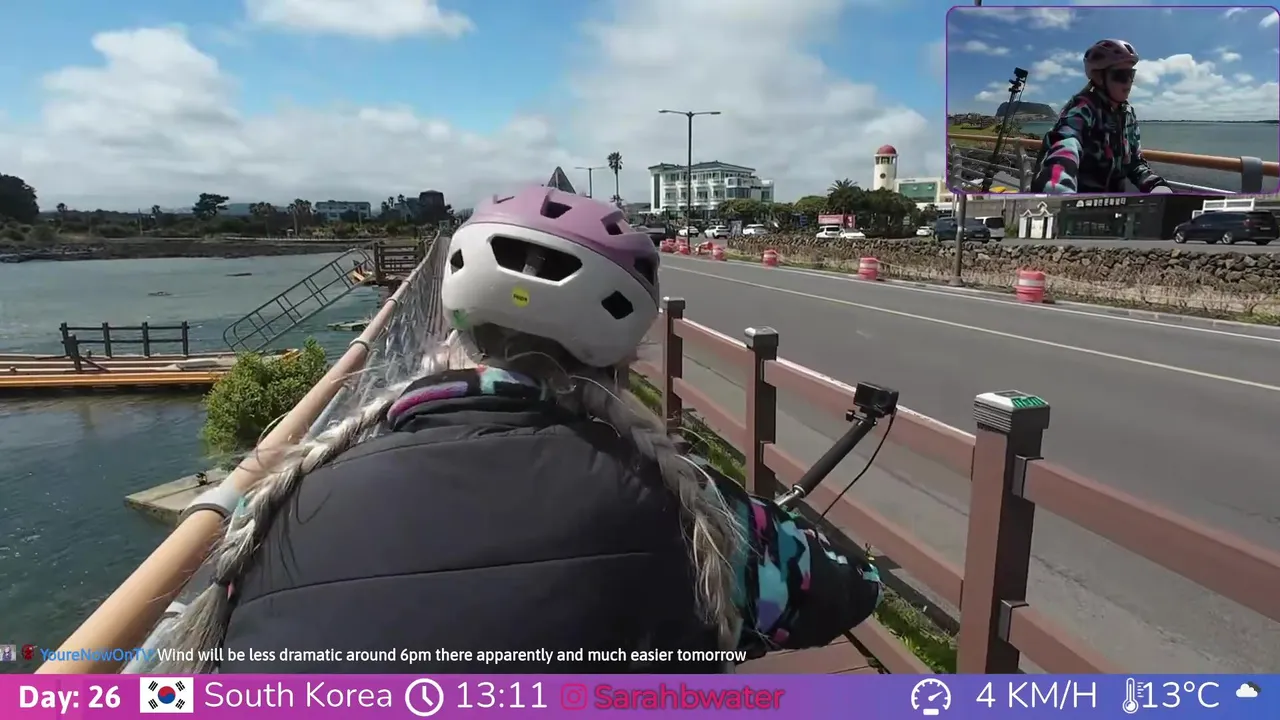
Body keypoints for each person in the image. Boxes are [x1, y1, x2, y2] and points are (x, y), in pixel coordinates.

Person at [157, 186, 884, 674]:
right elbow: (850, 590)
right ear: (624, 358)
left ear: (453, 327)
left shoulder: (281, 506)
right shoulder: (693, 509)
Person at [1030, 39, 1172, 195]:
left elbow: (1134, 163)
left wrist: (1156, 185)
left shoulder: (1128, 114)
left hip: (1115, 204)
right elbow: (1064, 147)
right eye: (1121, 76)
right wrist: (1057, 191)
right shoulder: (1082, 109)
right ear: (1099, 77)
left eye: (1131, 74)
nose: (1128, 82)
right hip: (1080, 203)